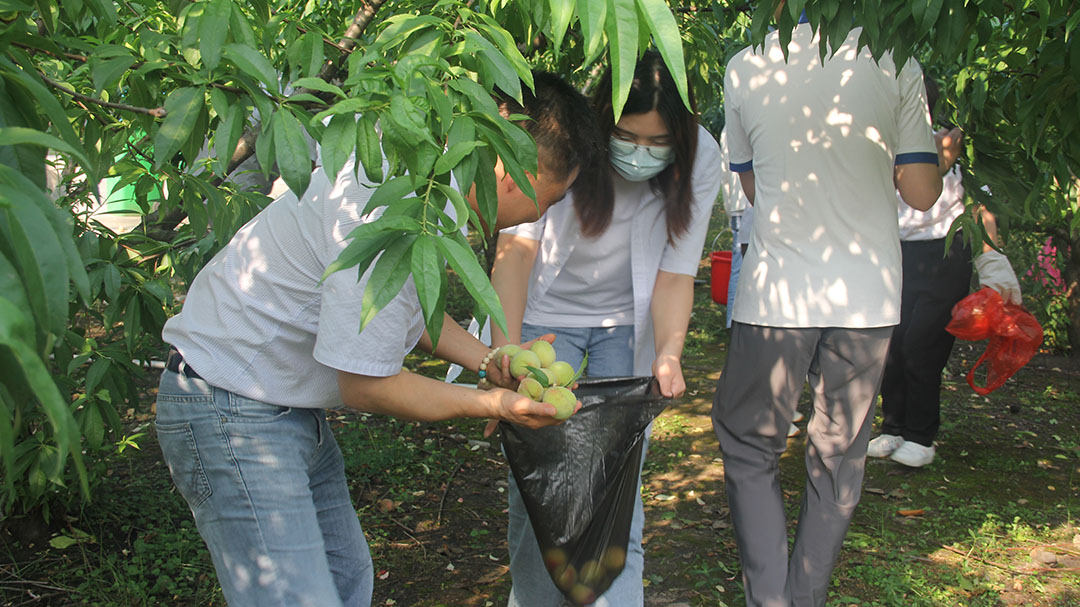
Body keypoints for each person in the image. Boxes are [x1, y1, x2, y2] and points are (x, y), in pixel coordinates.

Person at [153, 71, 604, 607]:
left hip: (280, 404)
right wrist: (495, 403)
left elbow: (393, 312)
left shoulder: (423, 185)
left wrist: (490, 360)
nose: (542, 215)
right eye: (549, 202)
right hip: (230, 405)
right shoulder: (391, 202)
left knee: (345, 581)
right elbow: (366, 384)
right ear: (517, 176)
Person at [712, 9, 946, 607]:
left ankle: (770, 599)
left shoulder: (745, 68)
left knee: (749, 444)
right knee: (840, 455)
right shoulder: (897, 62)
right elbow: (921, 194)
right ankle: (803, 596)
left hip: (778, 293)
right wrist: (941, 154)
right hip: (866, 296)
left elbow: (752, 187)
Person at [489, 50, 722, 606]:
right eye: (627, 136)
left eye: (656, 143)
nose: (639, 153)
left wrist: (668, 352)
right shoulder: (568, 142)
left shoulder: (702, 156)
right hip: (546, 318)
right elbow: (517, 251)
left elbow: (674, 274)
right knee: (541, 480)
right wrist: (505, 349)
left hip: (627, 322)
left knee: (615, 484)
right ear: (603, 119)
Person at [868, 78, 1022, 468]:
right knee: (892, 343)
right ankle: (893, 426)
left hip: (946, 253)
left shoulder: (954, 147)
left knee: (923, 344)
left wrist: (992, 259)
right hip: (894, 253)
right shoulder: (881, 150)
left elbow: (980, 206)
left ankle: (921, 435)